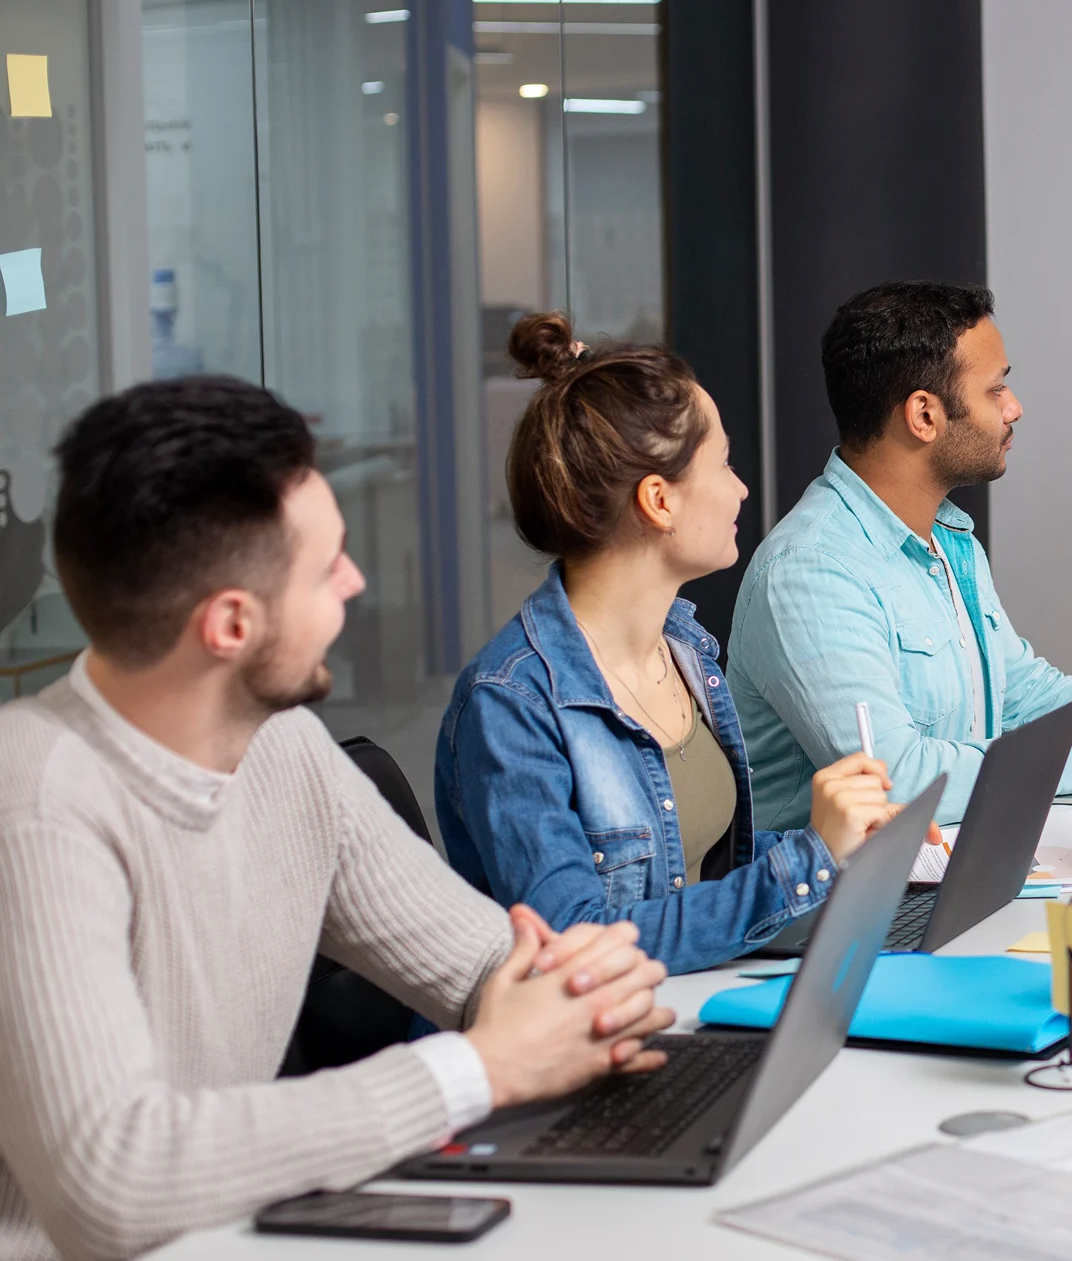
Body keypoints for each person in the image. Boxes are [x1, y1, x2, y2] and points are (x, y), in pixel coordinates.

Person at [0, 377, 677, 1261]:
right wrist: (479, 1068)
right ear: (231, 625)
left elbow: (483, 963)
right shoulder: (34, 803)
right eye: (327, 568)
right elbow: (115, 1182)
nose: (357, 582)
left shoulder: (285, 751)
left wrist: (579, 988)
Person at [437, 315, 921, 975]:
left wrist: (833, 839)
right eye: (723, 464)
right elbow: (576, 943)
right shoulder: (511, 702)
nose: (741, 488)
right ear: (658, 500)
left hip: (692, 1004)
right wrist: (807, 861)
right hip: (591, 1050)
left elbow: (690, 865)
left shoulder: (686, 651)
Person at [729, 281, 1072, 829]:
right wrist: (1070, 759)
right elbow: (893, 780)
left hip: (945, 868)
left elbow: (1021, 694)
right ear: (924, 416)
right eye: (995, 390)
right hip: (846, 903)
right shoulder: (810, 573)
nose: (1015, 408)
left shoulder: (949, 543)